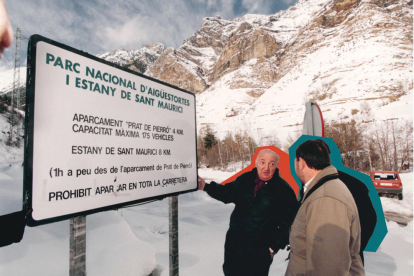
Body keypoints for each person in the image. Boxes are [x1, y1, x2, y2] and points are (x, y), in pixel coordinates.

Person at [198, 149, 299, 276]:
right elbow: (226, 193)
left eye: (271, 164)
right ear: (256, 162)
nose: (266, 168)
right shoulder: (245, 179)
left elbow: (288, 223)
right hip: (234, 245)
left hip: (260, 251)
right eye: (262, 162)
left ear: (276, 166)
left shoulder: (284, 190)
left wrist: (273, 248)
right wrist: (205, 186)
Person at [285, 139, 365, 275]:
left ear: (301, 163)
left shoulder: (325, 199)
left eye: (295, 161)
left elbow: (328, 266)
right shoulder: (321, 189)